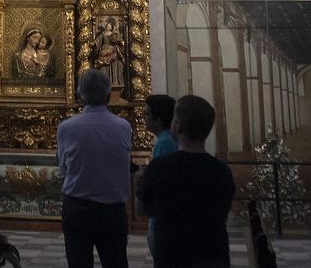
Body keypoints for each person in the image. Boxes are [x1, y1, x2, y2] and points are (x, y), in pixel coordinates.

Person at [137, 95, 235, 268]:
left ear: (177, 125)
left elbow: (142, 209)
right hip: (213, 255)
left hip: (172, 255)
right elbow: (223, 210)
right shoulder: (223, 172)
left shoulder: (159, 168)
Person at [56, 69, 131, 268]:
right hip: (112, 210)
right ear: (108, 96)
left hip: (78, 208)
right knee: (116, 262)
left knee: (79, 263)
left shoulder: (67, 127)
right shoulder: (123, 126)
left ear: (80, 95)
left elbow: (64, 166)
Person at [141, 94, 178, 258]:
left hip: (162, 221)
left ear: (159, 120)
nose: (143, 117)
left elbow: (160, 182)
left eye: (147, 114)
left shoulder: (164, 143)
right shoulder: (168, 139)